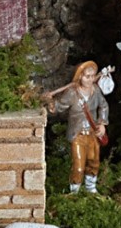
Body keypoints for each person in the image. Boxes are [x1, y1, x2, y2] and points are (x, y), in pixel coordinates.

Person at [46, 60, 109, 194]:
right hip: (78, 135)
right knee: (78, 166)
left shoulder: (96, 90)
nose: (90, 79)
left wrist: (102, 123)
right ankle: (75, 191)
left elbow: (103, 106)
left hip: (93, 133)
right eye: (87, 76)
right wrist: (49, 101)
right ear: (80, 76)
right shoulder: (72, 93)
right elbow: (58, 107)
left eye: (92, 76)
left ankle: (91, 188)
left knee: (94, 161)